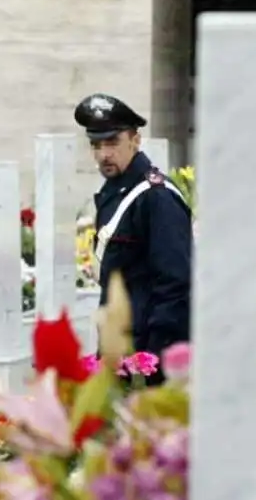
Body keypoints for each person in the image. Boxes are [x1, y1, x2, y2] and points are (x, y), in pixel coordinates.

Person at [74, 93, 192, 384]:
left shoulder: (156, 197)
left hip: (146, 359)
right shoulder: (115, 193)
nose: (104, 154)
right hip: (119, 351)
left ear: (135, 141)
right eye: (96, 145)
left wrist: (153, 363)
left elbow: (175, 286)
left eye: (112, 142)